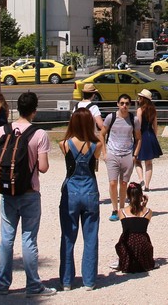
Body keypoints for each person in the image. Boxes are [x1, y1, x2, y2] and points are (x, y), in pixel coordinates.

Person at [0, 91, 55, 297]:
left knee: (6, 239)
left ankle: (2, 283)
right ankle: (33, 285)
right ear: (34, 111)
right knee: (28, 239)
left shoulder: (3, 130)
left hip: (7, 191)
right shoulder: (39, 134)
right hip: (29, 191)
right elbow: (44, 168)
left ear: (18, 108)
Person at [58, 107, 102, 291]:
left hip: (71, 190)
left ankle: (67, 280)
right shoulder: (96, 145)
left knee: (68, 236)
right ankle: (89, 280)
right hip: (90, 189)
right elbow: (96, 164)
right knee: (90, 237)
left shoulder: (64, 144)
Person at [103, 94, 141, 222]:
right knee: (113, 183)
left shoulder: (133, 119)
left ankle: (122, 208)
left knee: (124, 184)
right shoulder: (111, 117)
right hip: (112, 153)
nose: (124, 106)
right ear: (118, 104)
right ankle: (114, 209)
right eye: (122, 103)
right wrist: (104, 152)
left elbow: (138, 138)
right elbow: (101, 134)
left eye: (127, 103)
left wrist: (135, 155)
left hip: (127, 154)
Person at [114, 181, 155, 273]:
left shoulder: (121, 212)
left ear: (128, 195)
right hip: (143, 246)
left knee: (121, 242)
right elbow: (139, 218)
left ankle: (122, 261)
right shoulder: (148, 211)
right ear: (141, 195)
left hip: (127, 246)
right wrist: (144, 205)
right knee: (144, 239)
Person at [134, 89, 162, 191]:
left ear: (143, 99)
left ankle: (141, 179)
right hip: (151, 135)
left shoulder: (140, 110)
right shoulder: (153, 110)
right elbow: (155, 126)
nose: (138, 99)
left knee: (137, 160)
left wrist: (136, 138)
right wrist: (155, 138)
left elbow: (139, 126)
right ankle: (147, 185)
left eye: (140, 97)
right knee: (149, 163)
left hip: (142, 136)